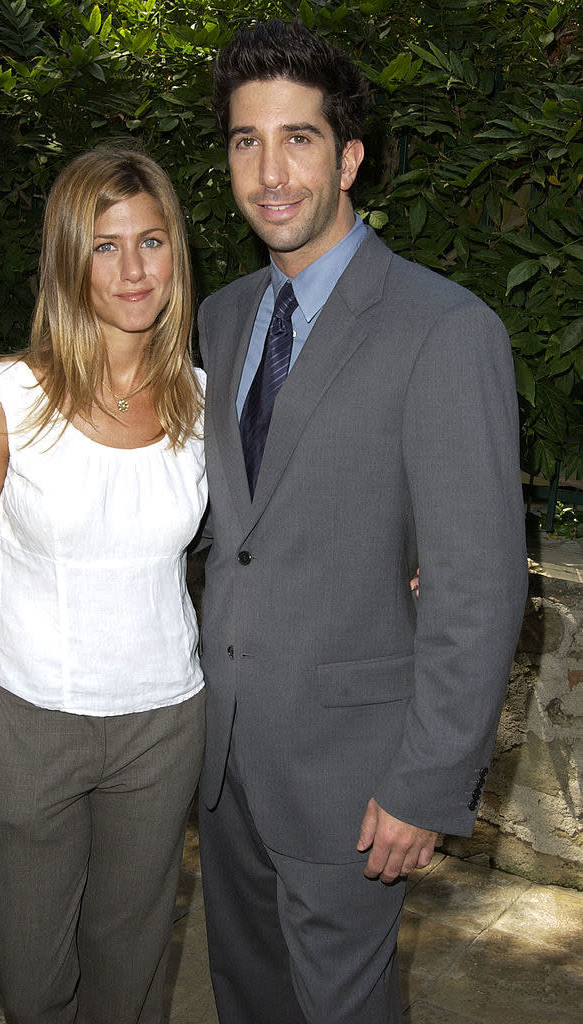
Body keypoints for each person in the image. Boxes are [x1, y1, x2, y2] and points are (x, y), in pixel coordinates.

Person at [195, 20, 528, 1024]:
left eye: (297, 138)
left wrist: (426, 783)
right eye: (246, 140)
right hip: (223, 769)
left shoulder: (446, 329)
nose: (269, 170)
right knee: (248, 1000)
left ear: (347, 158)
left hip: (352, 780)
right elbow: (231, 531)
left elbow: (477, 582)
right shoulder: (218, 316)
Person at [0, 147, 207, 1024]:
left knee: (128, 975)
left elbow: (284, 523)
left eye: (151, 241)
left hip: (163, 727)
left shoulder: (202, 403)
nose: (133, 269)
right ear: (66, 259)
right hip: (32, 723)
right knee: (30, 975)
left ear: (175, 256)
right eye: (105, 245)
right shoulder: (4, 397)